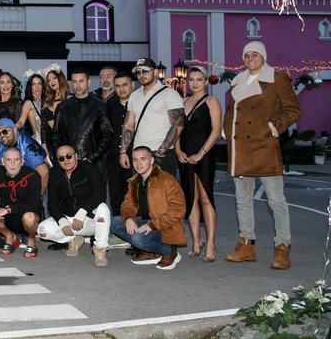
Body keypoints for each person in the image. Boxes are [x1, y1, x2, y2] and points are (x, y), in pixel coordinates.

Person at [224, 42, 301, 270]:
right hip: (240, 151)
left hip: (265, 148)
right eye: (246, 55)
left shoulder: (277, 79)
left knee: (277, 201)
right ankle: (246, 245)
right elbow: (231, 112)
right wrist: (228, 132)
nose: (250, 58)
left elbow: (294, 109)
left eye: (255, 54)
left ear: (263, 56)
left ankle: (282, 247)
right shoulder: (237, 81)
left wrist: (273, 128)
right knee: (242, 201)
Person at [111, 146, 187, 270]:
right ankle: (152, 251)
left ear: (152, 160)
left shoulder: (167, 180)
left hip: (164, 228)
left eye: (143, 159)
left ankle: (169, 250)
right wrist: (128, 218)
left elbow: (178, 209)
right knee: (114, 222)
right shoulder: (135, 182)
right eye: (135, 160)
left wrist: (152, 226)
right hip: (146, 223)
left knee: (137, 239)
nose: (138, 163)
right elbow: (127, 205)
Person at [37, 145, 110, 267]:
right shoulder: (55, 173)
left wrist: (83, 211)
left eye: (69, 156)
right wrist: (62, 221)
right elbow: (52, 203)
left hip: (90, 219)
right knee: (42, 231)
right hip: (69, 218)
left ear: (76, 156)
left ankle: (100, 249)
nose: (66, 160)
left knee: (103, 208)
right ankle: (74, 238)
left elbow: (100, 194)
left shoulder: (89, 168)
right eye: (61, 158)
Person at [177, 66, 221, 263]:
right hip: (185, 156)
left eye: (198, 79)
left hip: (204, 156)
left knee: (205, 198)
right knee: (191, 198)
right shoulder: (183, 102)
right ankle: (196, 242)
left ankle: (210, 244)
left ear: (205, 81)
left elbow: (216, 130)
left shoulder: (211, 101)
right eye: (191, 79)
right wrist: (178, 150)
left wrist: (201, 153)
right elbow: (176, 130)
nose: (194, 82)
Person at [120, 58, 185, 176]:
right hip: (138, 154)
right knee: (140, 193)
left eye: (145, 71)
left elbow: (178, 124)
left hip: (161, 153)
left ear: (155, 72)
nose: (141, 75)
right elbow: (128, 126)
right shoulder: (134, 96)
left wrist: (161, 151)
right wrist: (123, 151)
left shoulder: (169, 94)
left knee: (163, 193)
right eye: (137, 72)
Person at [0, 147, 43, 258]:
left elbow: (34, 205)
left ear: (22, 161)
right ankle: (10, 237)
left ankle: (31, 242)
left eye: (16, 160)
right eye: (9, 160)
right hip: (7, 219)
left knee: (29, 217)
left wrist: (8, 209)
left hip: (26, 218)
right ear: (2, 161)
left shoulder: (33, 176)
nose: (13, 164)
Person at [46, 67, 113, 165]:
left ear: (88, 82)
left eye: (81, 81)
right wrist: (62, 157)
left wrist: (92, 158)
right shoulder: (63, 107)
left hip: (94, 164)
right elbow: (56, 134)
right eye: (74, 81)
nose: (78, 85)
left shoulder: (101, 106)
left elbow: (107, 135)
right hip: (67, 162)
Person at [0, 118, 48, 193]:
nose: (1, 135)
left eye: (5, 131)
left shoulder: (29, 148)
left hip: (29, 187)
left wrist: (37, 196)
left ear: (14, 129)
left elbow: (44, 172)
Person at [106, 72, 136, 212]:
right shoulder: (109, 106)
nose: (121, 89)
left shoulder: (140, 105)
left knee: (136, 195)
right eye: (117, 86)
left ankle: (137, 230)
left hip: (136, 156)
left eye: (125, 85)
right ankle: (118, 231)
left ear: (132, 85)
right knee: (116, 196)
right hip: (114, 157)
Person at [42, 69, 70, 152]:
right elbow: (43, 125)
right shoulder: (47, 102)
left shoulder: (70, 99)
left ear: (60, 78)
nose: (52, 82)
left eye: (54, 78)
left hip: (68, 142)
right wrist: (43, 144)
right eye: (49, 80)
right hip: (51, 144)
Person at [16, 73, 47, 144]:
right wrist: (16, 126)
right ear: (30, 87)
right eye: (33, 84)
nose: (37, 86)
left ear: (43, 86)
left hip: (50, 139)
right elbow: (21, 121)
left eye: (39, 83)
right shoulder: (28, 103)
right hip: (38, 141)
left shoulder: (47, 102)